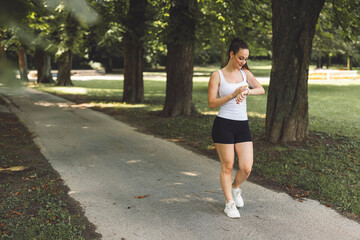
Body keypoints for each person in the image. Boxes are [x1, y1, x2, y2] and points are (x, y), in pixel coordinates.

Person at [208, 38, 265, 218]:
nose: (243, 62)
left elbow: (261, 89)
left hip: (242, 125)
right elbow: (211, 103)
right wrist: (232, 95)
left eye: (246, 59)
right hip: (223, 124)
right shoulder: (217, 75)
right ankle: (229, 203)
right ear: (231, 54)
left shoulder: (245, 74)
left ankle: (235, 188)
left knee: (246, 167)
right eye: (240, 58)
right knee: (228, 166)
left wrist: (248, 91)